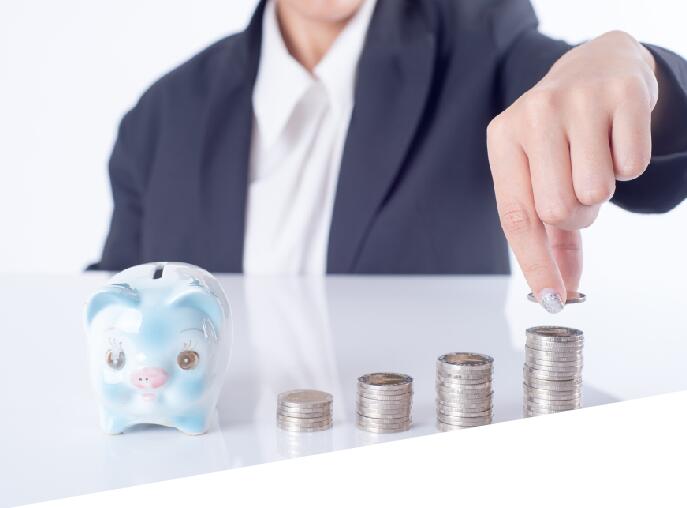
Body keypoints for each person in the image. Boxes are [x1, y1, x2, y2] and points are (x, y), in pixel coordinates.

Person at [89, 0, 687, 313]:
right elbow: (116, 299)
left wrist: (638, 72)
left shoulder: (482, 35)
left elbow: (582, 98)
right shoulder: (161, 114)